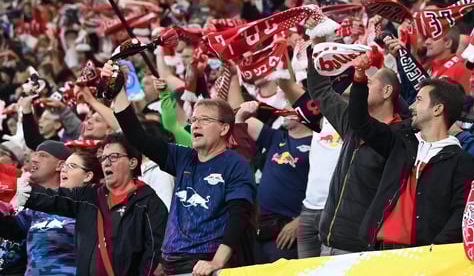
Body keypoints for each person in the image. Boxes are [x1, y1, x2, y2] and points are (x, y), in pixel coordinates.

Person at [111, 75, 256, 276]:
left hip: (204, 267)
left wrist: (216, 262)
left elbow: (239, 217)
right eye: (193, 119)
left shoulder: (235, 164)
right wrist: (118, 92)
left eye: (204, 120)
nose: (195, 125)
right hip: (171, 266)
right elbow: (138, 137)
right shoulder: (183, 157)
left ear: (224, 128)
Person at [349, 63, 474, 249]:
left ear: (437, 109)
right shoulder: (400, 140)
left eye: (419, 100)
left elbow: (461, 213)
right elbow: (360, 123)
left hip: (421, 256)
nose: (412, 106)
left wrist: (436, 250)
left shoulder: (460, 161)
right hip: (379, 249)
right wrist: (359, 81)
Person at [17, 133, 168, 275]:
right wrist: (13, 189)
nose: (106, 162)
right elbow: (53, 197)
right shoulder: (89, 195)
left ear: (132, 162)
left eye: (114, 157)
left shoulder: (148, 203)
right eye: (104, 158)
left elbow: (154, 254)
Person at [306, 48, 406, 256]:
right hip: (328, 239)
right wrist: (316, 50)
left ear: (387, 92)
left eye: (369, 83)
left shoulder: (396, 137)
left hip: (360, 248)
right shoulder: (351, 124)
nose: (360, 85)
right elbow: (321, 91)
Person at [234, 100, 312, 263]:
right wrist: (246, 109)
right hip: (260, 228)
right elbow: (241, 119)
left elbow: (325, 187)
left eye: (290, 107)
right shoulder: (275, 137)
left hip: (287, 232)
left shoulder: (318, 144)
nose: (284, 110)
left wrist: (301, 220)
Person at [0, 141, 77, 275]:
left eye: (42, 155)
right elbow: (9, 228)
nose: (34, 159)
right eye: (34, 155)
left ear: (60, 165)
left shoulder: (77, 204)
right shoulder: (31, 211)